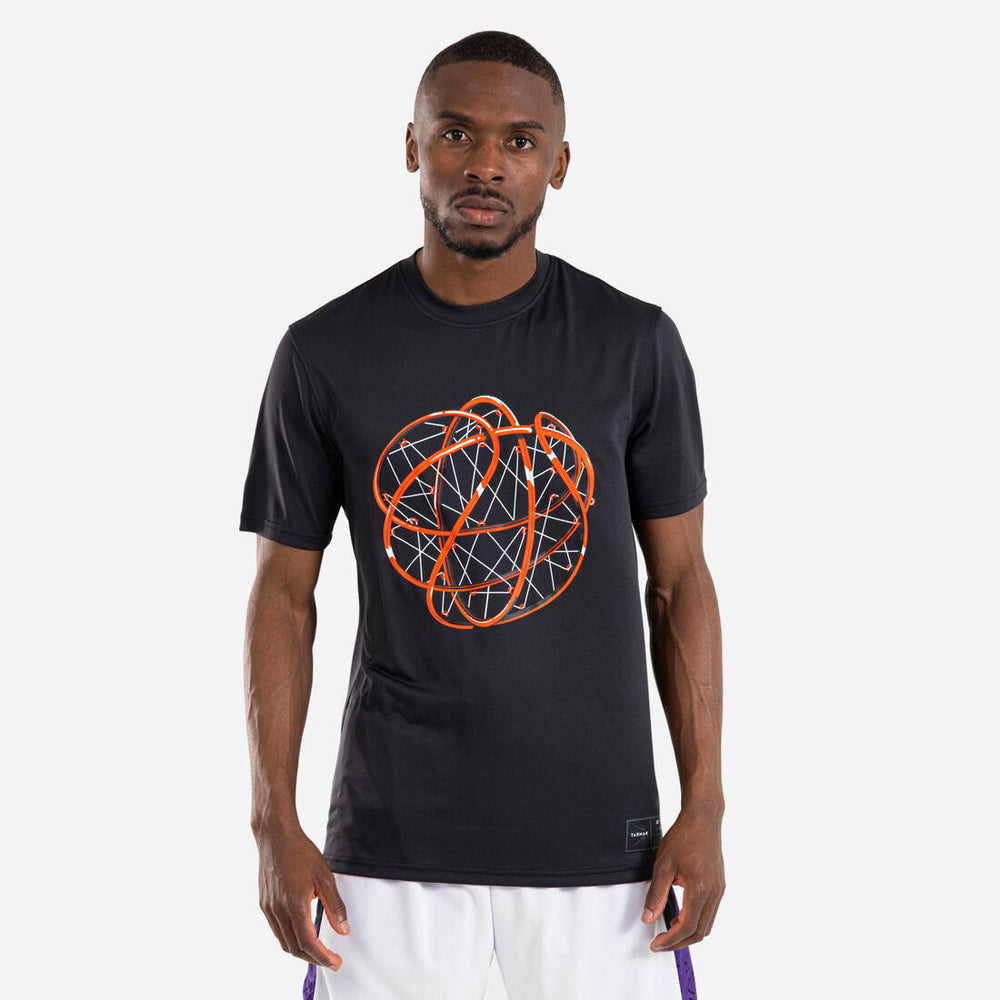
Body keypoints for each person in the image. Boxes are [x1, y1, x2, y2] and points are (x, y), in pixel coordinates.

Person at [239, 29, 724, 1000]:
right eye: (456, 133)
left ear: (559, 163)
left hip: (606, 850)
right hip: (392, 844)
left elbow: (680, 585)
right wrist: (272, 823)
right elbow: (283, 597)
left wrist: (704, 804)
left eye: (520, 140)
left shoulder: (634, 343)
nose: (487, 164)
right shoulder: (324, 352)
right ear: (412, 146)